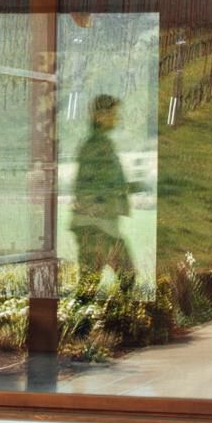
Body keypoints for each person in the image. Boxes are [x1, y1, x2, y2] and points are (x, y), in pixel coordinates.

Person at [70, 94, 137, 288]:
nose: (117, 118)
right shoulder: (97, 146)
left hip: (98, 226)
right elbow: (90, 186)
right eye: (113, 114)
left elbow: (103, 183)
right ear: (99, 116)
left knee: (93, 283)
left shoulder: (99, 144)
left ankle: (108, 316)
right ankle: (116, 317)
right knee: (122, 276)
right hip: (97, 227)